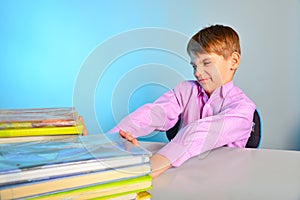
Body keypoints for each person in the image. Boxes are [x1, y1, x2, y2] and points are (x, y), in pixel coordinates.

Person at [109, 24, 256, 178]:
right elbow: (154, 114)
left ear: (233, 61)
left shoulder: (243, 109)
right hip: (179, 175)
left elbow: (199, 133)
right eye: (194, 65)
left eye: (206, 63)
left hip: (220, 180)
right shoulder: (185, 90)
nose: (198, 73)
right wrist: (113, 139)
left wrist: (150, 167)